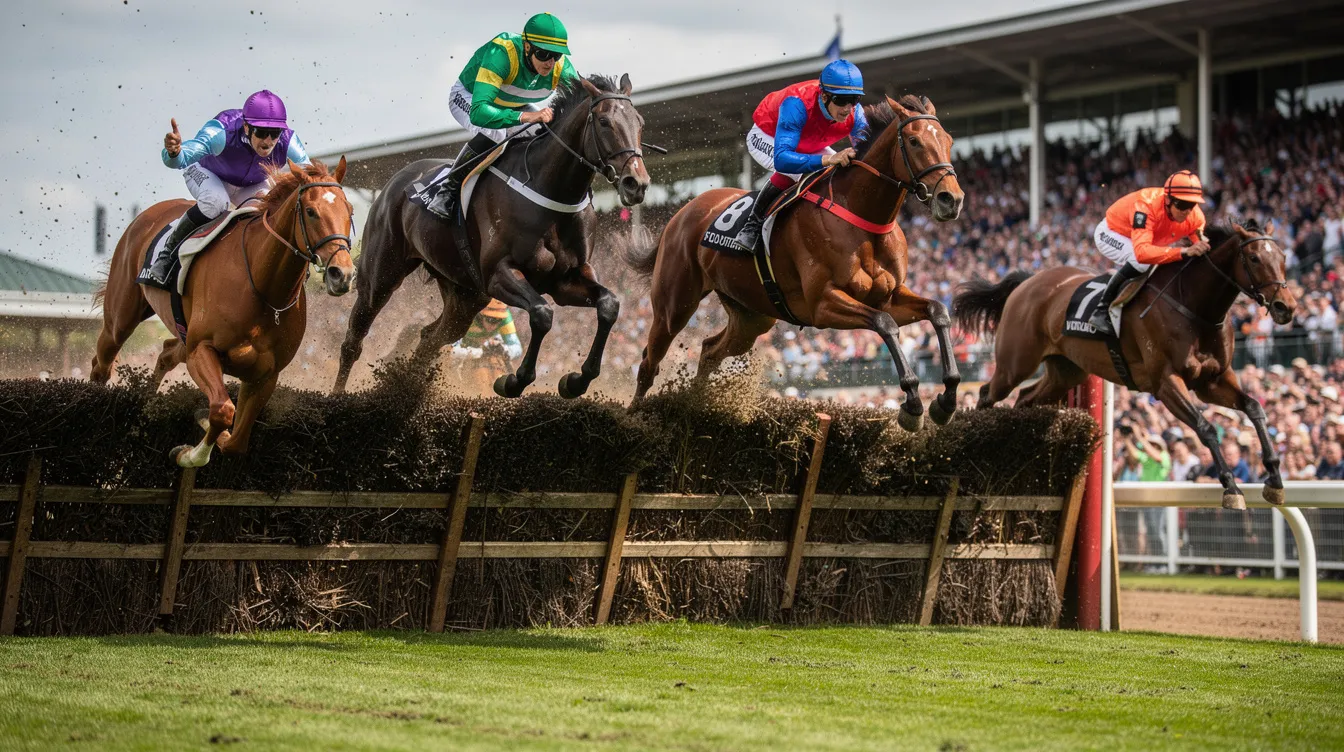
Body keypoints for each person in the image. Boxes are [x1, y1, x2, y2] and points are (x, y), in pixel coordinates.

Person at [149, 90, 310, 285]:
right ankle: (167, 254)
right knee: (216, 201)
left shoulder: (289, 142)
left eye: (274, 133)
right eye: (261, 132)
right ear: (246, 127)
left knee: (267, 211)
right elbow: (181, 160)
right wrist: (173, 153)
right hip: (207, 172)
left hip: (250, 184)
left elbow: (310, 179)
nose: (268, 141)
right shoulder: (221, 132)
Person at [427, 12, 580, 218]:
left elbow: (583, 102)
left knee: (547, 136)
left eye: (557, 55)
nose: (550, 63)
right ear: (527, 47)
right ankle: (447, 190)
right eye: (543, 54)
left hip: (513, 103)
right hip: (470, 98)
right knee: (495, 134)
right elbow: (479, 112)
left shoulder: (561, 68)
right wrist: (524, 117)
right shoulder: (502, 53)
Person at [733, 59, 870, 251]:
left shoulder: (857, 114)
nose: (848, 108)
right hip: (768, 136)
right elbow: (782, 160)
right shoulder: (796, 103)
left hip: (809, 144)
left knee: (842, 172)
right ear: (824, 96)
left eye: (854, 100)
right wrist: (828, 159)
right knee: (798, 173)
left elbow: (866, 155)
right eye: (841, 100)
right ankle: (752, 226)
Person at [1087, 170, 1210, 335]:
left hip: (1142, 240)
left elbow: (1202, 252)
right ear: (1167, 200)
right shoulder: (1145, 206)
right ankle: (1101, 310)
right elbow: (1142, 253)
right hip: (1111, 233)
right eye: (1182, 205)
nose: (1187, 212)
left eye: (1192, 205)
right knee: (1142, 263)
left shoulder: (1196, 218)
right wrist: (1184, 251)